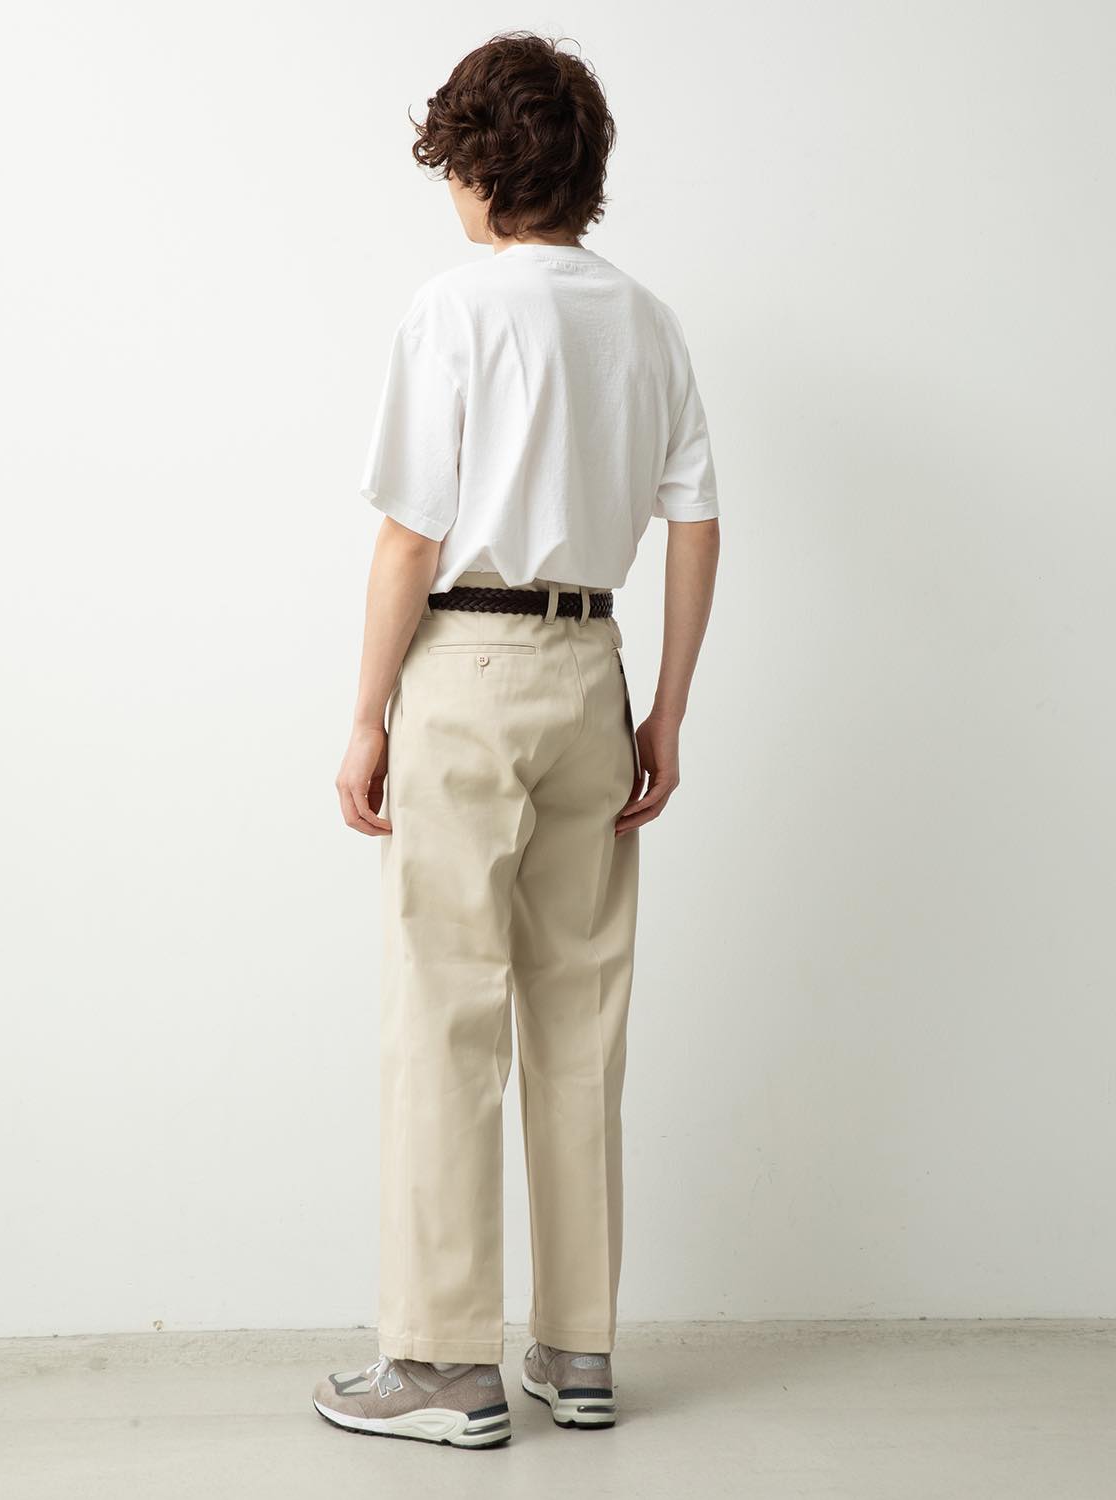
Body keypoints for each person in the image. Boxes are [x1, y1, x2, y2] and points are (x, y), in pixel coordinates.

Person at [313, 31, 721, 1449]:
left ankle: (440, 1365)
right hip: (592, 670)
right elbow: (696, 522)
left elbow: (408, 538)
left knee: (446, 1014)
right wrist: (667, 709)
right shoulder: (647, 322)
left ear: (482, 164)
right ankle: (577, 1347)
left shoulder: (455, 309)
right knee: (579, 1018)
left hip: (469, 668)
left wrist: (365, 715)